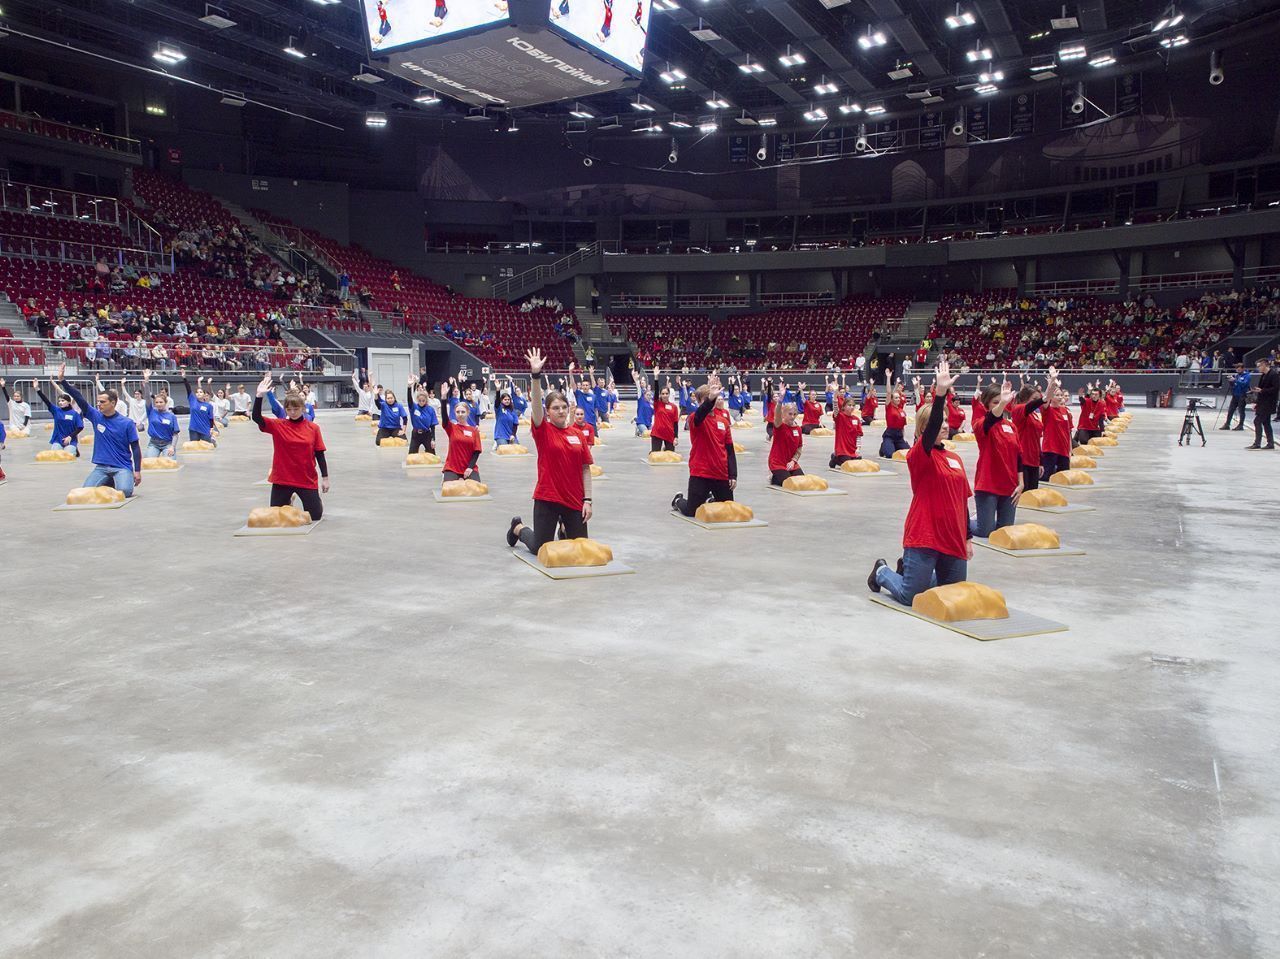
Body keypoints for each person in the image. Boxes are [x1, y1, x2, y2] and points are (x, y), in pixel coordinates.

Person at [868, 360, 973, 604]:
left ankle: (912, 571)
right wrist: (939, 395)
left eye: (947, 421)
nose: (945, 425)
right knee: (910, 596)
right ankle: (882, 571)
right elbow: (932, 424)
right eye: (940, 422)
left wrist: (967, 538)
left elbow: (963, 502)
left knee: (953, 594)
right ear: (924, 429)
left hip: (953, 538)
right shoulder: (919, 455)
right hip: (925, 535)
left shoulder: (954, 458)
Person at [507, 348, 596, 554]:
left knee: (580, 547)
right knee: (541, 547)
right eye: (555, 408)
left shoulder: (578, 434)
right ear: (548, 412)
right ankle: (518, 528)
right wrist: (536, 376)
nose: (561, 411)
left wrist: (588, 500)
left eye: (563, 407)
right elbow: (536, 406)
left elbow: (585, 469)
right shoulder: (543, 430)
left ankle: (564, 527)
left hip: (574, 500)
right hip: (548, 498)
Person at [56, 362, 142, 497]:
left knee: (124, 492)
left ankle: (121, 479)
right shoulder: (96, 416)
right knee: (86, 492)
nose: (98, 404)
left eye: (102, 402)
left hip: (122, 467)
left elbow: (136, 448)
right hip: (101, 467)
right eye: (98, 401)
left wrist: (137, 471)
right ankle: (108, 481)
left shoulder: (127, 423)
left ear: (113, 403)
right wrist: (63, 381)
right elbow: (79, 398)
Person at [252, 372, 328, 519]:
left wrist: (325, 478)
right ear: (285, 409)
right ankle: (288, 498)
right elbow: (256, 418)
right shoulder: (278, 425)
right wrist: (259, 396)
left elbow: (320, 453)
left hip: (305, 478)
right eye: (289, 409)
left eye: (296, 409)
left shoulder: (313, 428)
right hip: (283, 478)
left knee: (315, 515)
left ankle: (299, 499)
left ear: (302, 408)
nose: (292, 412)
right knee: (276, 515)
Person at [671, 374, 737, 516]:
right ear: (700, 402)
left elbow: (730, 450)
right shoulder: (695, 418)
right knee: (691, 511)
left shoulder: (724, 422)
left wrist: (733, 475)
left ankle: (710, 499)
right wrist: (711, 398)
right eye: (707, 399)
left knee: (728, 509)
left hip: (720, 473)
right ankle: (678, 501)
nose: (712, 401)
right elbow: (702, 413)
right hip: (701, 472)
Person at [972, 377, 1023, 537]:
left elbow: (1018, 457)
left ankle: (982, 518)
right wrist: (1002, 403)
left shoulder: (1011, 426)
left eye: (1001, 402)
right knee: (985, 532)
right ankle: (962, 521)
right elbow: (991, 419)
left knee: (1004, 532)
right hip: (988, 484)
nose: (999, 404)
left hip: (1009, 486)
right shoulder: (981, 424)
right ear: (986, 404)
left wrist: (1021, 484)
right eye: (995, 402)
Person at [1010, 370, 1055, 493]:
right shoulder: (1018, 410)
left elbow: (1036, 440)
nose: (1037, 401)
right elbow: (1036, 404)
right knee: (1023, 496)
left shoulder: (1035, 415)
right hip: (1022, 459)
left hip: (1034, 459)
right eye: (1034, 399)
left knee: (1032, 495)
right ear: (1025, 398)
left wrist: (1052, 383)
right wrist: (1042, 399)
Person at [438, 380, 483, 482]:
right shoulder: (451, 428)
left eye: (463, 411)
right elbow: (445, 417)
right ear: (455, 413)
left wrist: (470, 467)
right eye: (458, 412)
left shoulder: (474, 431)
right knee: (449, 491)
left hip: (469, 467)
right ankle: (445, 476)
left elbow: (476, 452)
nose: (460, 414)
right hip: (452, 468)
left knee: (476, 491)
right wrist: (444, 398)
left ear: (467, 412)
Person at [35, 380, 84, 455]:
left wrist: (70, 437)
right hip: (58, 440)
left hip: (70, 440)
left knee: (68, 456)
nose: (60, 402)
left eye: (63, 401)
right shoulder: (56, 410)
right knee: (55, 456)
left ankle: (74, 448)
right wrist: (37, 389)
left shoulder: (75, 414)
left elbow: (80, 427)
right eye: (59, 401)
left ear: (68, 402)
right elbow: (46, 401)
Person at [768, 390, 805, 485]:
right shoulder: (779, 426)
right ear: (784, 414)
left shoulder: (798, 429)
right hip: (777, 463)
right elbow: (777, 416)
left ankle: (781, 475)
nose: (792, 417)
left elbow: (799, 447)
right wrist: (780, 401)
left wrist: (793, 461)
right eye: (790, 414)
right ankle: (775, 477)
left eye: (794, 414)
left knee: (801, 482)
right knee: (789, 482)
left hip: (791, 463)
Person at [141, 370, 180, 458]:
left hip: (168, 443)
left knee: (169, 464)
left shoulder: (172, 416)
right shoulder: (151, 411)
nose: (158, 404)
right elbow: (147, 397)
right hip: (154, 443)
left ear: (165, 403)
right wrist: (146, 380)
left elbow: (175, 434)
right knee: (149, 464)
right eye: (157, 402)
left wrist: (172, 447)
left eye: (161, 402)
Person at [1040, 382, 1074, 481]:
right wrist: (1051, 383)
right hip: (1051, 449)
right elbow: (1045, 399)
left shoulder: (1065, 411)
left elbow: (1068, 432)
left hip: (1063, 449)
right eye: (1056, 395)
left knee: (1063, 478)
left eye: (1060, 395)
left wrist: (1070, 450)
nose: (1059, 397)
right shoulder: (1046, 410)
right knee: (1045, 478)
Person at [1246, 357, 1277, 450]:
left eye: (1259, 366)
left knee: (1257, 421)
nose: (1258, 368)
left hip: (1268, 403)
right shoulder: (1263, 375)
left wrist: (1262, 390)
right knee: (1266, 423)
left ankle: (1257, 443)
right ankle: (1270, 443)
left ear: (1264, 365)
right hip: (1263, 402)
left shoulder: (1273, 375)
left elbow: (1275, 389)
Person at [180, 371, 217, 444]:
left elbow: (211, 418)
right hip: (193, 429)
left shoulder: (209, 406)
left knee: (206, 448)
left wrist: (211, 428)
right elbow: (188, 389)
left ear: (204, 394)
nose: (199, 393)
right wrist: (184, 378)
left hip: (205, 429)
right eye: (197, 392)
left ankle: (212, 440)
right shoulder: (192, 400)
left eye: (201, 392)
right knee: (194, 448)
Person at [830, 392, 865, 468]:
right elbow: (835, 409)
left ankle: (836, 456)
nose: (851, 407)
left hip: (852, 450)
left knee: (857, 462)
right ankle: (835, 458)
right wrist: (835, 397)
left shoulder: (856, 419)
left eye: (853, 405)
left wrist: (858, 448)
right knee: (848, 463)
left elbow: (858, 435)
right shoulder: (840, 417)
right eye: (849, 405)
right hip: (842, 450)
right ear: (844, 406)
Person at [405, 377, 439, 454]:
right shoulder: (414, 407)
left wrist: (433, 439)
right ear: (417, 400)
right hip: (416, 434)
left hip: (427, 434)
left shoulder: (430, 410)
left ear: (426, 400)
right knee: (411, 456)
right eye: (419, 400)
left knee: (432, 455)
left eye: (423, 400)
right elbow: (409, 400)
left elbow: (432, 426)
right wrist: (409, 387)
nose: (421, 402)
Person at [492, 379, 529, 450]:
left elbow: (515, 424)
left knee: (517, 449)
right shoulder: (499, 408)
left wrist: (513, 435)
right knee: (505, 449)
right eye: (505, 399)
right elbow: (497, 401)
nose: (507, 401)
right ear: (502, 400)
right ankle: (497, 443)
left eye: (508, 399)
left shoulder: (513, 411)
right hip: (501, 435)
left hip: (511, 435)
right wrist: (498, 390)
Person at [879, 376, 910, 459]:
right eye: (896, 398)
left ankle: (894, 446)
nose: (898, 399)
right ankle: (884, 447)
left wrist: (904, 438)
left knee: (909, 452)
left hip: (899, 436)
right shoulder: (889, 407)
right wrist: (888, 377)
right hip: (890, 434)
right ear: (892, 400)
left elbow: (903, 426)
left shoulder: (901, 411)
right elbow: (889, 392)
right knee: (889, 455)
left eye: (899, 397)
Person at [650, 373, 679, 453]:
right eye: (663, 394)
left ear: (669, 394)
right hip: (657, 433)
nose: (665, 395)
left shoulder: (674, 407)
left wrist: (676, 437)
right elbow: (655, 393)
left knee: (670, 456)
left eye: (666, 393)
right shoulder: (657, 404)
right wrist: (656, 378)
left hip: (669, 434)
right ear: (660, 395)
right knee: (655, 455)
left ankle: (665, 449)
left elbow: (675, 423)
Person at [1074, 382, 1107, 446]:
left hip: (1094, 428)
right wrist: (1080, 396)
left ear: (1099, 396)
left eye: (1096, 394)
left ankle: (1079, 433)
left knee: (1096, 443)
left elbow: (1101, 419)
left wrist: (1102, 431)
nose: (1094, 396)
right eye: (1092, 394)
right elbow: (1082, 400)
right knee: (1084, 441)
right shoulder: (1087, 401)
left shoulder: (1101, 404)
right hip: (1084, 427)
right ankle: (1079, 432)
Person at [1221, 363, 1252, 431]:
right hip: (1235, 395)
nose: (1237, 370)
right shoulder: (1237, 375)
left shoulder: (1247, 376)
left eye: (1239, 368)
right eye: (1237, 369)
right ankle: (1227, 424)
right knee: (1230, 410)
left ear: (1243, 369)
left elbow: (1244, 384)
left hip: (1242, 395)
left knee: (1241, 410)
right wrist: (1231, 382)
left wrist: (1235, 380)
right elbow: (1234, 385)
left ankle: (1241, 425)